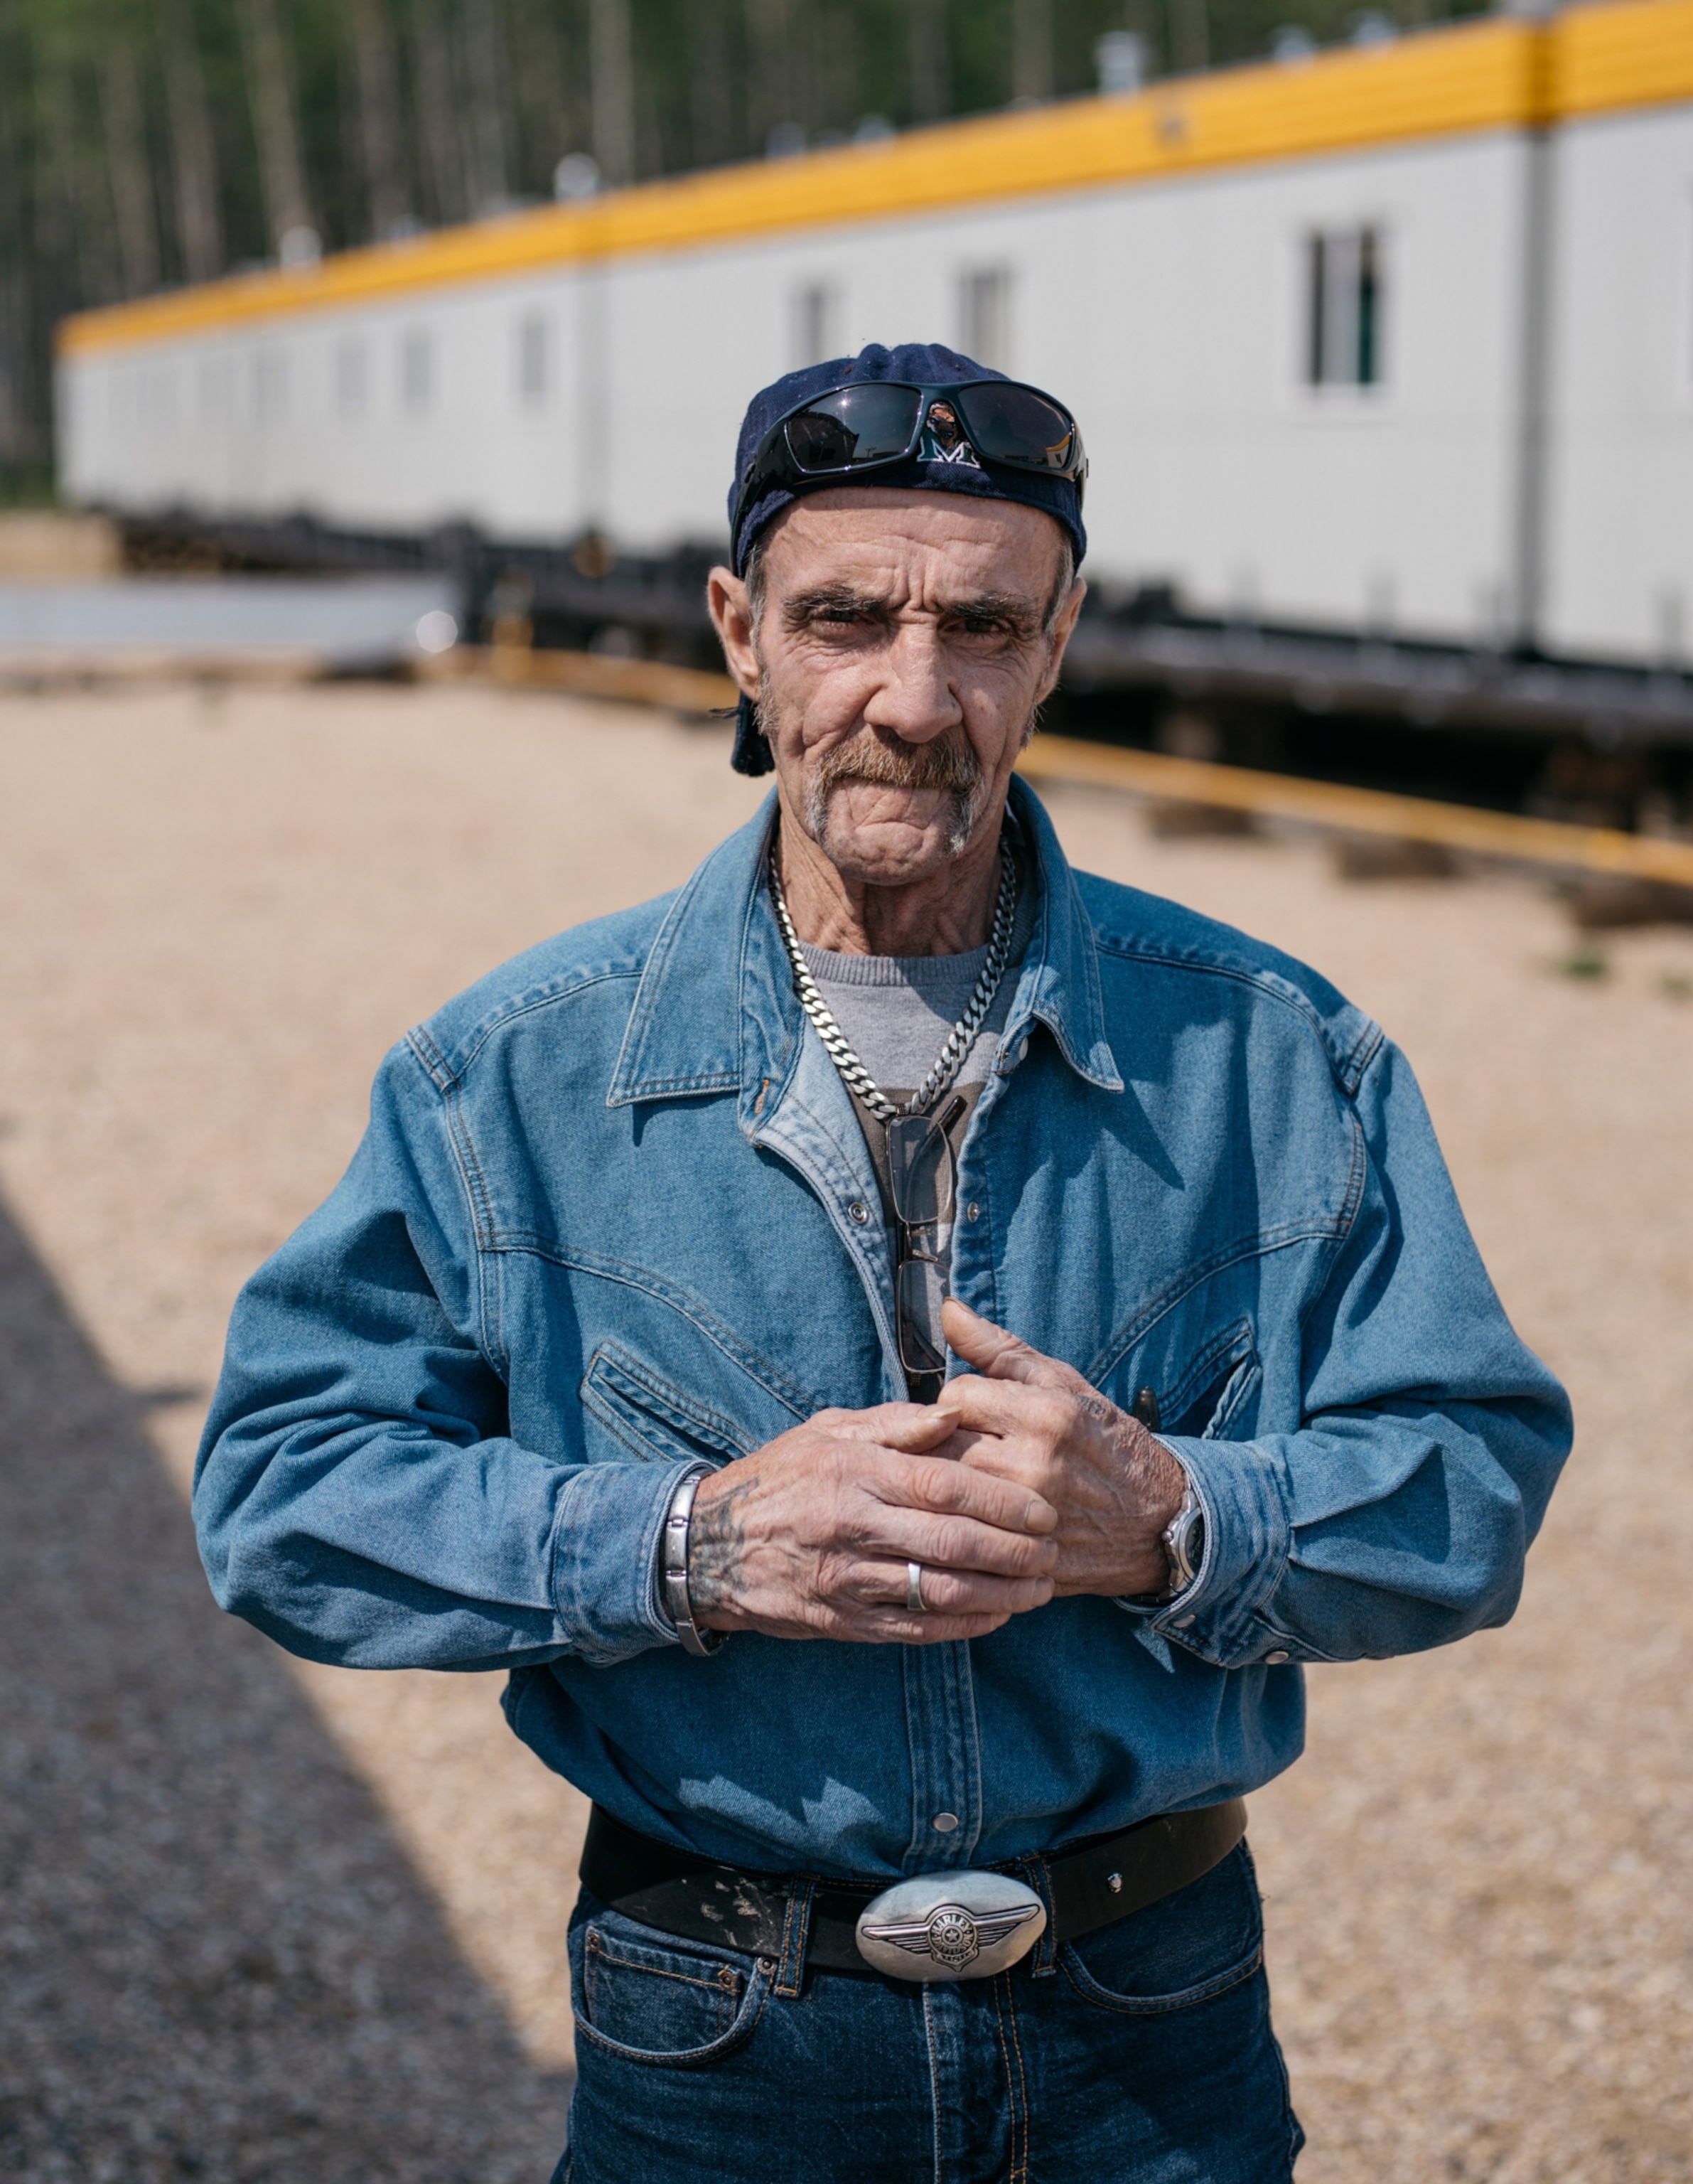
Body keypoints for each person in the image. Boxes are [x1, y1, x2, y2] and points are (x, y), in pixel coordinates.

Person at [193, 342, 1572, 2182]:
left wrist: (1171, 1519)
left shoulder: (1273, 1053)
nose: (912, 698)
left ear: (1057, 641)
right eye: (844, 617)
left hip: (1153, 2033)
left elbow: (1466, 1483)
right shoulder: (509, 1074)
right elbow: (278, 1498)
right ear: (737, 634)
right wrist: (684, 1547)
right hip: (716, 2033)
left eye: (981, 630)